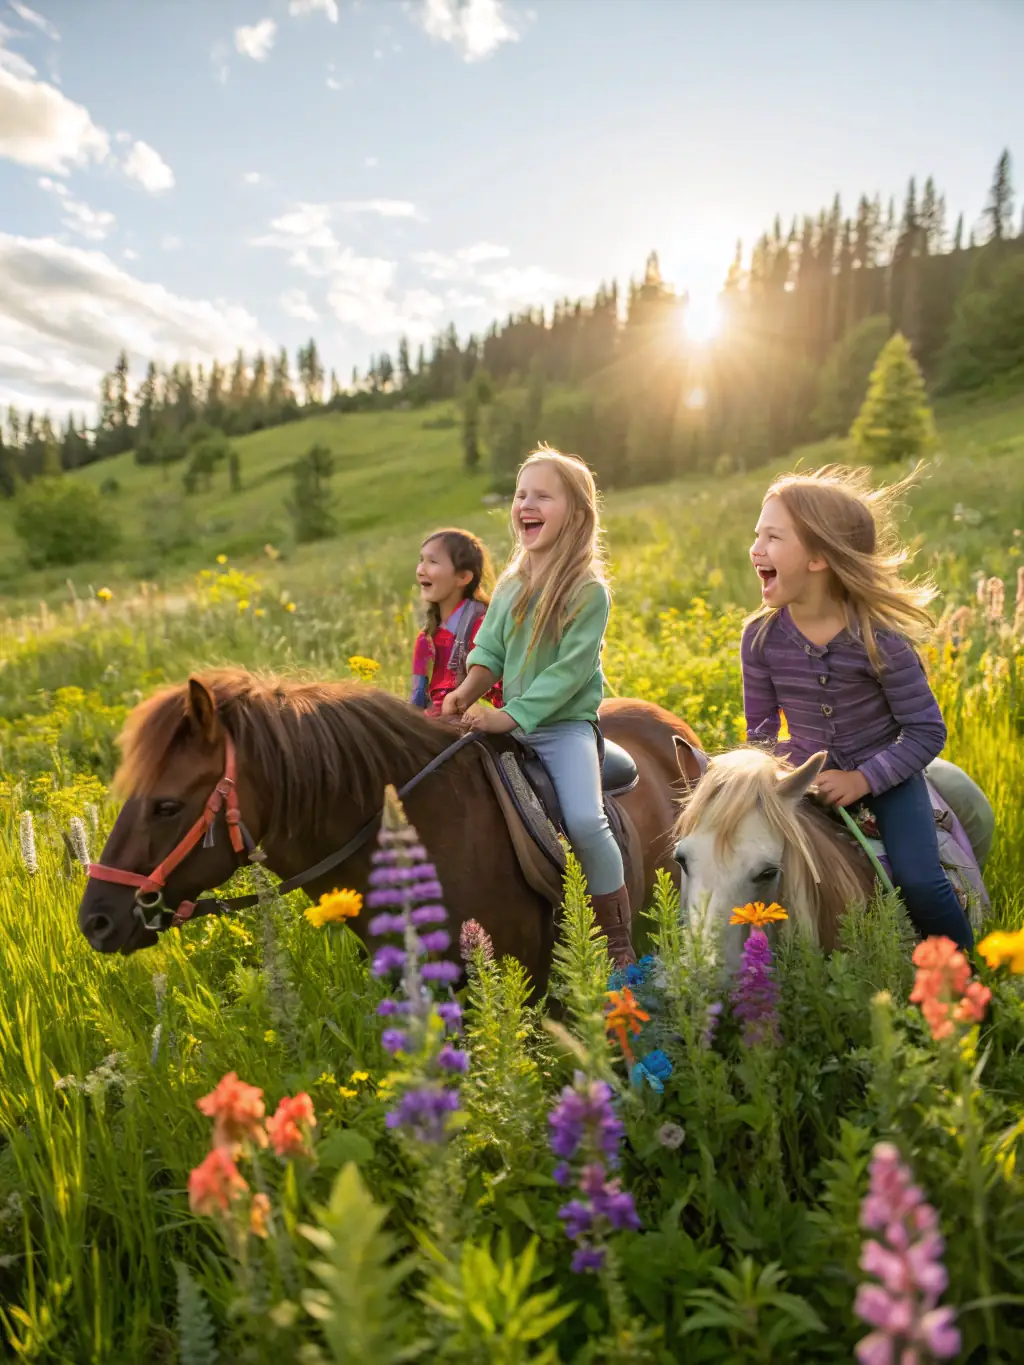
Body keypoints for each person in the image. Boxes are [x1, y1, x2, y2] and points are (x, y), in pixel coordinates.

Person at [742, 463, 973, 950]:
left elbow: (926, 731)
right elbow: (760, 735)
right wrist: (786, 773)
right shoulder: (760, 639)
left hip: (886, 779)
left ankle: (971, 984)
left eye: (773, 537)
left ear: (819, 558)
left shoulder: (879, 640)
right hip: (803, 780)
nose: (756, 549)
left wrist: (862, 779)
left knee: (919, 882)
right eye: (757, 535)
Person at [441, 446, 635, 967]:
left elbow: (569, 673)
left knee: (585, 819)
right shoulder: (511, 583)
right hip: (513, 721)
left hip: (562, 727)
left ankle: (617, 938)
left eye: (542, 495)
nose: (525, 502)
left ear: (575, 512)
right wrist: (469, 688)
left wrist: (509, 716)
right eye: (521, 494)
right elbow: (491, 652)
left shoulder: (587, 590)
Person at [411, 529, 502, 717]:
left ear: (463, 577)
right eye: (421, 561)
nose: (421, 570)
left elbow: (499, 692)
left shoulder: (483, 628)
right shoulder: (425, 639)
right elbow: (417, 700)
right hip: (436, 729)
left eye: (432, 562)